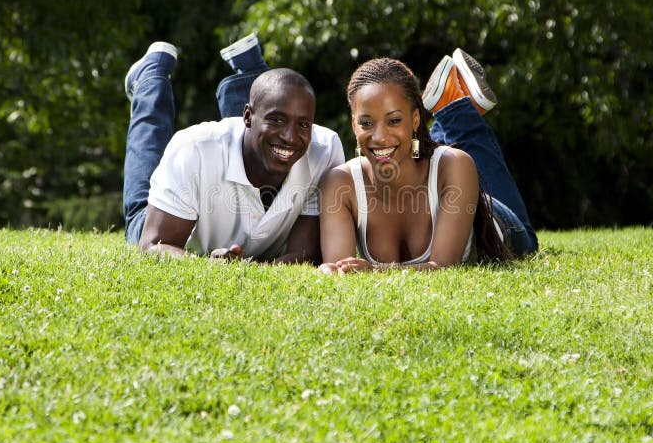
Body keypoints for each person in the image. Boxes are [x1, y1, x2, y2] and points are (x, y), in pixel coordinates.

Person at [123, 34, 344, 262]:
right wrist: (209, 266)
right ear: (246, 116)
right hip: (174, 217)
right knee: (140, 202)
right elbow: (154, 245)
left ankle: (249, 70)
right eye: (276, 120)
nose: (290, 137)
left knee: (263, 131)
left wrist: (250, 269)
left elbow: (306, 254)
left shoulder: (324, 151)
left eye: (304, 124)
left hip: (244, 140)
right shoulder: (195, 149)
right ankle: (151, 76)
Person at [318, 48, 538, 273]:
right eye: (366, 123)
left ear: (415, 119)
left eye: (393, 120)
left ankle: (456, 108)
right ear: (354, 124)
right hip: (422, 159)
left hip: (494, 220)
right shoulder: (339, 182)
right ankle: (448, 107)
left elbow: (443, 266)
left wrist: (374, 271)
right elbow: (339, 268)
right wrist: (333, 270)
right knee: (411, 146)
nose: (380, 136)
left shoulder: (454, 166)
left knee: (529, 240)